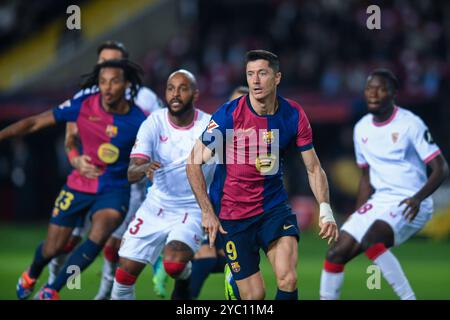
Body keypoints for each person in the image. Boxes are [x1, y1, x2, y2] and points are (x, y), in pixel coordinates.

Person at [186, 50, 338, 300]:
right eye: (250, 74)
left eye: (262, 73)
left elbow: (313, 167)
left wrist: (325, 209)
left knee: (288, 278)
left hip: (274, 209)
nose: (255, 81)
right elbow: (193, 162)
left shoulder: (293, 114)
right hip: (234, 216)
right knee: (255, 297)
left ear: (277, 77)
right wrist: (206, 211)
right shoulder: (229, 115)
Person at [5, 59, 147, 300]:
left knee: (101, 231)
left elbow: (147, 156)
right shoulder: (83, 105)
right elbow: (34, 123)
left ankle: (51, 290)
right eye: (103, 82)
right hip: (80, 183)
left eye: (114, 82)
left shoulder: (140, 120)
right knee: (53, 248)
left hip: (114, 188)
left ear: (126, 84)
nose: (107, 88)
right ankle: (32, 273)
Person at [48, 40, 168, 300]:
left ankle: (103, 294)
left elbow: (161, 134)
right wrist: (76, 159)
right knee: (66, 242)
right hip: (85, 179)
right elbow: (71, 135)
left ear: (124, 66)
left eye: (112, 61)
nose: (107, 66)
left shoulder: (145, 97)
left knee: (112, 245)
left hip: (125, 184)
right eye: (102, 62)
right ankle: (50, 282)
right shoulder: (86, 94)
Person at [319, 69, 449, 300]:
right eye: (369, 88)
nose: (373, 93)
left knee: (372, 240)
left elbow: (441, 168)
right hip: (380, 201)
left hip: (411, 200)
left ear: (393, 93)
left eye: (380, 88)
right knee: (336, 253)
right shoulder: (362, 128)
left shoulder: (411, 124)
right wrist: (358, 212)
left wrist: (418, 198)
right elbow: (366, 178)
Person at [111, 69, 215, 300]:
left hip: (192, 207)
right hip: (156, 205)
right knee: (124, 276)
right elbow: (131, 171)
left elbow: (237, 158)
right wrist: (143, 168)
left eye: (182, 88)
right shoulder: (154, 122)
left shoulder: (209, 126)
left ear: (195, 94)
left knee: (173, 265)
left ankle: (184, 274)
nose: (175, 94)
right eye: (170, 88)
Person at [190, 86, 249, 299]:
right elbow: (193, 163)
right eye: (234, 104)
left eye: (245, 104)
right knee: (200, 256)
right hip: (213, 206)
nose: (240, 110)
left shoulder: (264, 136)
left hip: (249, 211)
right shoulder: (216, 131)